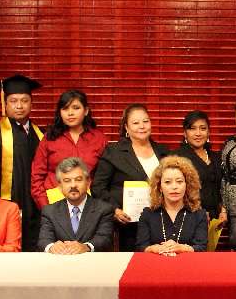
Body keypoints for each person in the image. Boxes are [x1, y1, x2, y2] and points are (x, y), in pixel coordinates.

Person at [0, 74, 43, 252]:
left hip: (36, 209)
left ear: (31, 103)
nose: (19, 106)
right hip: (4, 208)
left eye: (24, 100)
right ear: (5, 103)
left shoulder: (41, 135)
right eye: (13, 101)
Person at [91, 103, 169, 251]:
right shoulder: (114, 152)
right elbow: (98, 187)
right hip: (127, 226)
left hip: (159, 223)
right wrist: (114, 210)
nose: (142, 126)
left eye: (146, 121)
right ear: (126, 127)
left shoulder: (163, 151)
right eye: (136, 122)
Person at [31, 89, 108, 210]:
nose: (70, 113)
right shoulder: (49, 138)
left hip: (89, 206)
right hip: (53, 203)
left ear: (86, 111)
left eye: (76, 108)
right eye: (65, 109)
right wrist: (45, 207)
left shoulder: (99, 139)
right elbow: (36, 177)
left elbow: (104, 179)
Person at [38, 157, 115, 254]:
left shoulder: (104, 209)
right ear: (60, 186)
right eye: (67, 181)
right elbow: (44, 240)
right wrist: (52, 246)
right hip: (60, 263)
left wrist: (86, 246)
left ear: (88, 182)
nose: (73, 185)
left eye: (78, 180)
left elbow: (105, 239)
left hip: (92, 265)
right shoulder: (49, 211)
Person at [135, 156, 208, 254]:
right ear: (159, 187)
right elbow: (141, 246)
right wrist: (153, 249)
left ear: (187, 185)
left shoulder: (199, 214)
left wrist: (182, 248)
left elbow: (201, 247)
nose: (174, 187)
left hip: (189, 266)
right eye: (167, 182)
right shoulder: (148, 214)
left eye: (179, 181)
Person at [174, 110, 223, 219]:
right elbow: (174, 191)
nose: (198, 133)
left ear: (208, 132)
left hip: (215, 219)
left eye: (203, 128)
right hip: (188, 217)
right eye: (192, 128)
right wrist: (198, 212)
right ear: (185, 133)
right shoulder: (177, 158)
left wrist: (223, 211)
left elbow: (221, 187)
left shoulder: (216, 157)